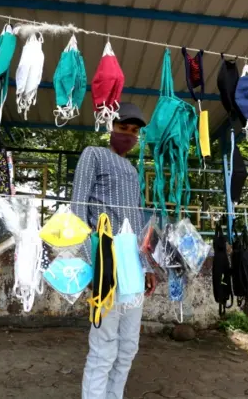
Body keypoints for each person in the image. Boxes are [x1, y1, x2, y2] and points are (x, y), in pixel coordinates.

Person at [71, 102, 157, 399]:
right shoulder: (93, 155)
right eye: (123, 128)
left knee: (128, 345)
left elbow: (137, 220)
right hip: (105, 260)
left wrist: (146, 267)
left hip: (133, 265)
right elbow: (78, 208)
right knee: (104, 344)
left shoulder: (133, 170)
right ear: (110, 126)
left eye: (134, 131)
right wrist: (89, 262)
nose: (129, 135)